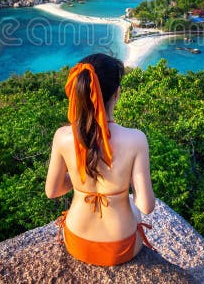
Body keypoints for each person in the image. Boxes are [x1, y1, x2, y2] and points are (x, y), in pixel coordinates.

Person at [45, 53, 156, 266]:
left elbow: (53, 191)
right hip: (121, 246)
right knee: (133, 211)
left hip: (77, 241)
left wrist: (78, 176)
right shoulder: (136, 139)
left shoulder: (62, 136)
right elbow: (146, 206)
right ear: (117, 93)